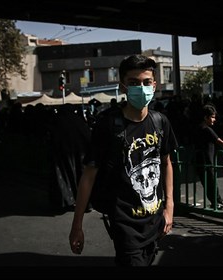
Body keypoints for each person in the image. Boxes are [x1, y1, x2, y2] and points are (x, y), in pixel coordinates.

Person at [69, 54, 178, 266]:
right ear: (123, 87)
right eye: (134, 83)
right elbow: (88, 176)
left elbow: (166, 163)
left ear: (154, 85)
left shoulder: (160, 122)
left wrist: (169, 207)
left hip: (154, 222)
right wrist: (77, 225)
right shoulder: (108, 125)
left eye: (146, 82)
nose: (141, 87)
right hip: (124, 224)